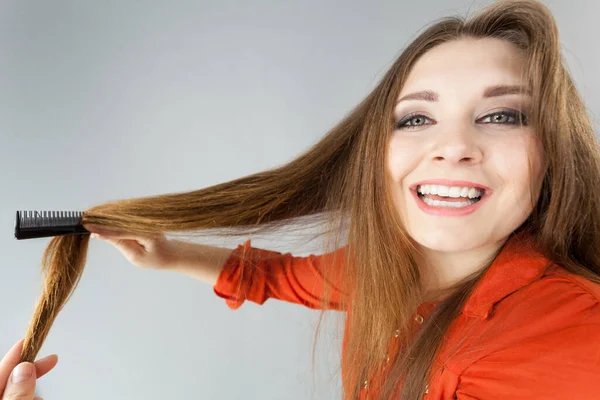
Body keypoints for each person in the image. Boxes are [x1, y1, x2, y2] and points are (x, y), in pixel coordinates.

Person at [13, 0, 600, 399]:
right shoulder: (381, 268)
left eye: (501, 115)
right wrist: (165, 253)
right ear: (377, 151)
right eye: (417, 117)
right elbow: (274, 276)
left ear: (554, 153)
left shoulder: (571, 337)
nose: (453, 147)